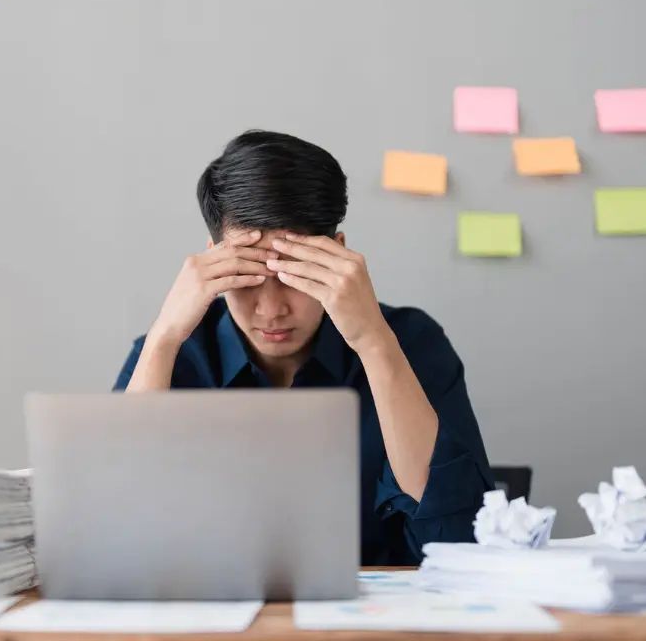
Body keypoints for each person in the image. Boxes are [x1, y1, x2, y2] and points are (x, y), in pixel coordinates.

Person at [113, 130, 494, 565]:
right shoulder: (169, 355)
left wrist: (373, 342)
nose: (271, 310)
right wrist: (163, 337)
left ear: (339, 256)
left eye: (295, 274)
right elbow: (114, 527)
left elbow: (462, 539)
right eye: (248, 275)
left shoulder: (411, 342)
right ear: (213, 260)